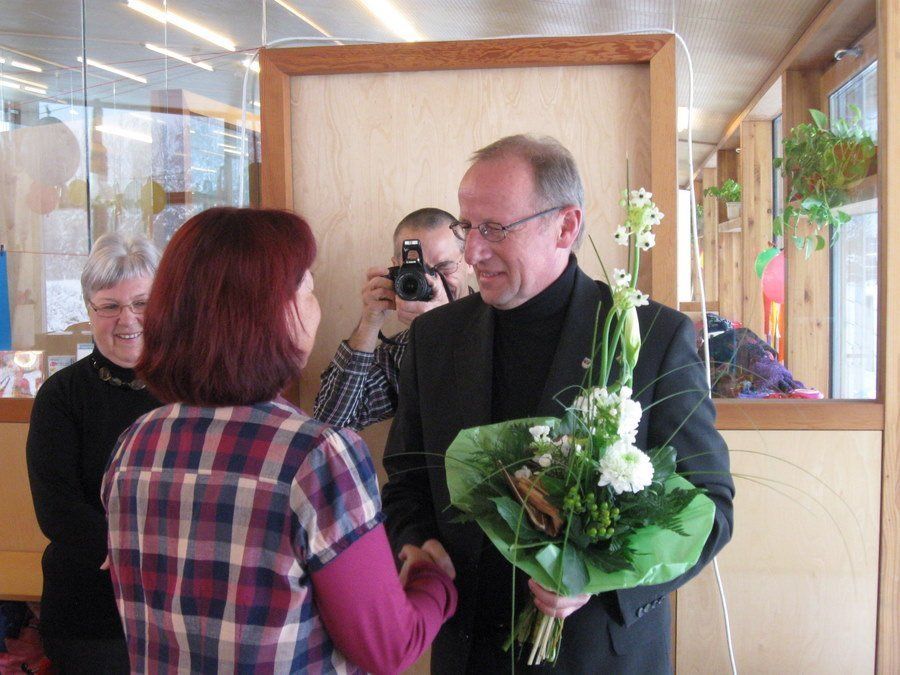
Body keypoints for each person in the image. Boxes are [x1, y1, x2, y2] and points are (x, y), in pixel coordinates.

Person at [381, 135, 734, 674]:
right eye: (466, 226)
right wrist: (417, 542)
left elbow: (709, 506)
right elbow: (406, 478)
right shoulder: (435, 337)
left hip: (596, 655)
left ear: (566, 226)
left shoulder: (651, 338)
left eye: (494, 229)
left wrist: (600, 579)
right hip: (469, 650)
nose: (472, 252)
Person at [100, 207, 457, 673]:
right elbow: (388, 646)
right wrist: (433, 579)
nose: (316, 306)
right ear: (269, 314)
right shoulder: (318, 456)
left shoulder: (134, 444)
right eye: (308, 289)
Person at [26, 233, 161, 673]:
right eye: (110, 305)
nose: (128, 319)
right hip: (89, 615)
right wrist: (152, 555)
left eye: (141, 303)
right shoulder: (60, 396)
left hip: (180, 609)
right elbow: (57, 511)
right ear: (88, 310)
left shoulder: (192, 388)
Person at [314, 208, 470, 430]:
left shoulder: (500, 323)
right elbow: (329, 425)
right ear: (397, 268)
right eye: (417, 270)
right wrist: (369, 322)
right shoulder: (402, 351)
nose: (431, 281)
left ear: (469, 260)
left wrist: (445, 327)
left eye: (444, 268)